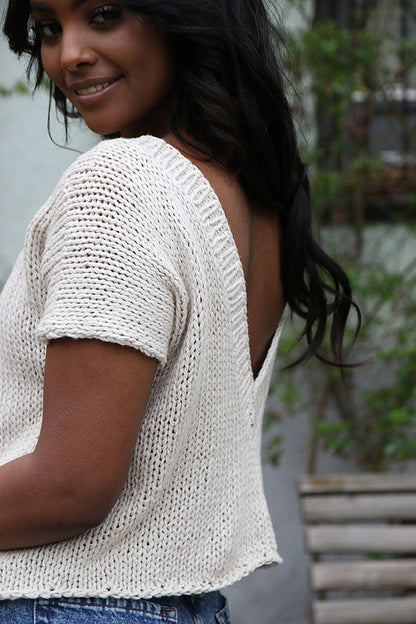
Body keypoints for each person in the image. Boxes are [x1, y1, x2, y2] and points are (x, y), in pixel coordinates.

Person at [1, 0, 359, 622]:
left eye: (104, 15)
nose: (69, 54)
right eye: (49, 29)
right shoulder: (256, 201)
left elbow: (71, 485)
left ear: (188, 17)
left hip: (64, 603)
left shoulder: (120, 185)